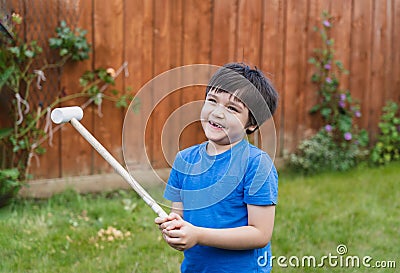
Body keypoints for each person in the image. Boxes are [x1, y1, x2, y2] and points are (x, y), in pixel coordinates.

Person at [155, 62, 279, 273]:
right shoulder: (184, 160)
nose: (218, 113)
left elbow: (260, 234)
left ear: (251, 124)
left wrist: (198, 235)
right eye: (212, 101)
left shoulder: (256, 165)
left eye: (232, 108)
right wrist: (175, 230)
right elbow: (181, 218)